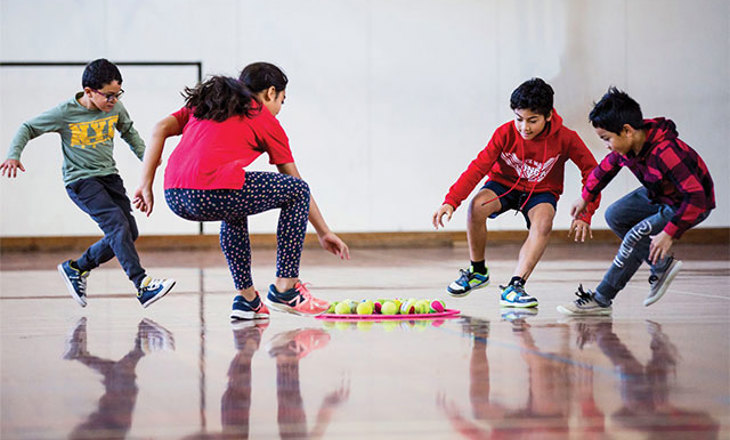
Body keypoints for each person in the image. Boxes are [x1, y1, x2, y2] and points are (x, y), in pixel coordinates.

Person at [134, 62, 349, 320]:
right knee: (297, 190)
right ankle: (286, 288)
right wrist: (324, 232)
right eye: (282, 100)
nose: (279, 109)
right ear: (271, 93)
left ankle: (247, 300)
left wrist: (145, 184)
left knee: (234, 201)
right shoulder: (264, 118)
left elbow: (159, 128)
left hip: (173, 193)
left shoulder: (209, 103)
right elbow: (295, 182)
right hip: (209, 191)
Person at [0, 58, 175, 308]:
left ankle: (77, 268)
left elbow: (130, 133)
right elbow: (28, 127)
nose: (114, 101)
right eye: (109, 95)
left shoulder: (116, 108)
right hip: (81, 181)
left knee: (129, 232)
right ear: (89, 91)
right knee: (117, 225)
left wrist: (149, 158)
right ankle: (142, 284)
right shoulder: (65, 112)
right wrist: (13, 155)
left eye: (118, 94)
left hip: (109, 177)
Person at [433, 78, 599, 308]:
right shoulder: (505, 133)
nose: (524, 127)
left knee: (543, 223)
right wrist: (451, 201)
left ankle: (515, 285)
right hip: (503, 185)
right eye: (519, 119)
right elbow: (478, 167)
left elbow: (593, 173)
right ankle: (478, 271)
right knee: (476, 207)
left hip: (541, 192)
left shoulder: (566, 138)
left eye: (532, 120)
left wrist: (586, 212)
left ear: (549, 116)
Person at [558, 87, 715, 316]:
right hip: (661, 195)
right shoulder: (629, 147)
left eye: (607, 139)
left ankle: (602, 299)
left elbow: (697, 196)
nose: (607, 145)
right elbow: (605, 169)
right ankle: (661, 265)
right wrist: (585, 197)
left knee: (634, 236)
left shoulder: (665, 151)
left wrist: (669, 233)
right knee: (615, 215)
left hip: (688, 203)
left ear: (627, 130)